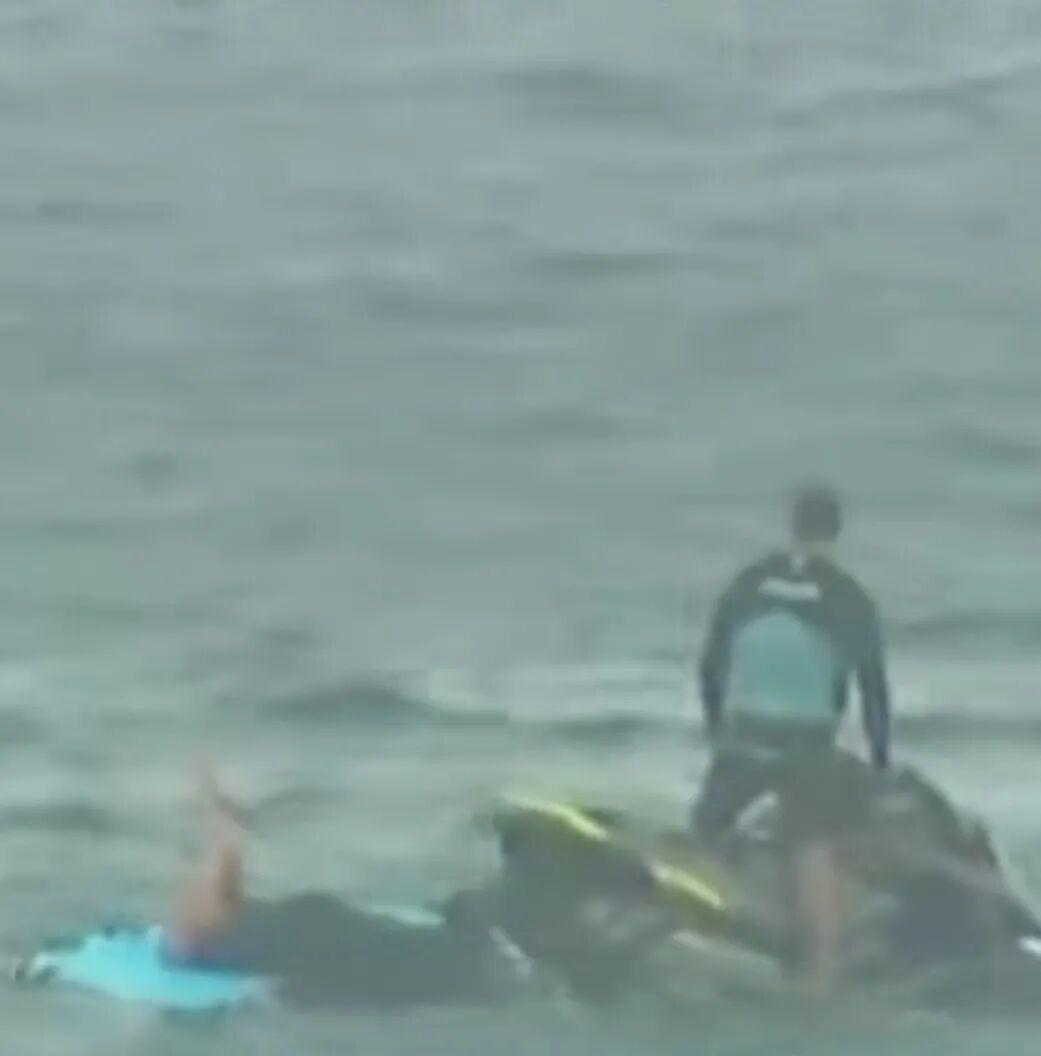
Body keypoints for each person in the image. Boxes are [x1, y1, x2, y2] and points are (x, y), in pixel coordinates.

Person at [167, 766, 664, 1009]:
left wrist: (226, 838)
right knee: (520, 932)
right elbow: (195, 932)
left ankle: (599, 890)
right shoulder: (273, 939)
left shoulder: (273, 935)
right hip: (468, 956)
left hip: (460, 946)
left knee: (510, 930)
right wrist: (225, 839)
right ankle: (594, 884)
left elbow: (201, 924)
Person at [690, 484, 892, 990]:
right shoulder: (847, 596)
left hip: (743, 736)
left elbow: (711, 664)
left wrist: (717, 731)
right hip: (807, 742)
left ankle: (698, 929)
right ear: (836, 531)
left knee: (707, 831)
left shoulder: (749, 582)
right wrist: (880, 761)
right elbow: (872, 688)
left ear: (792, 525)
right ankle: (817, 976)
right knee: (813, 844)